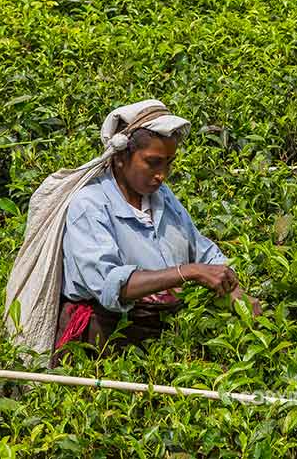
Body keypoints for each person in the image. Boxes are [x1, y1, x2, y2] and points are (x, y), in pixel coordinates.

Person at [52, 101, 260, 365]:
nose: (162, 175)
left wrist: (235, 291)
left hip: (164, 334)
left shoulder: (161, 197)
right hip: (106, 340)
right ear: (120, 158)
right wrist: (189, 272)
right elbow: (110, 284)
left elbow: (203, 251)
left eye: (169, 163)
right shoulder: (90, 204)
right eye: (153, 163)